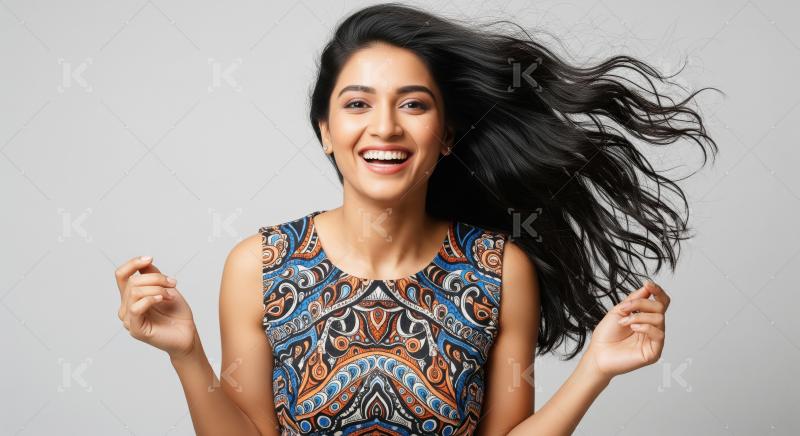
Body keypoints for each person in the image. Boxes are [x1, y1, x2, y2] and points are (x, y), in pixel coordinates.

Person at [113, 3, 720, 435]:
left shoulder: (499, 269)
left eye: (413, 104)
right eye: (357, 104)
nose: (384, 128)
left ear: (446, 135)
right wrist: (186, 353)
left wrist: (595, 370)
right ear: (326, 131)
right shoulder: (260, 266)